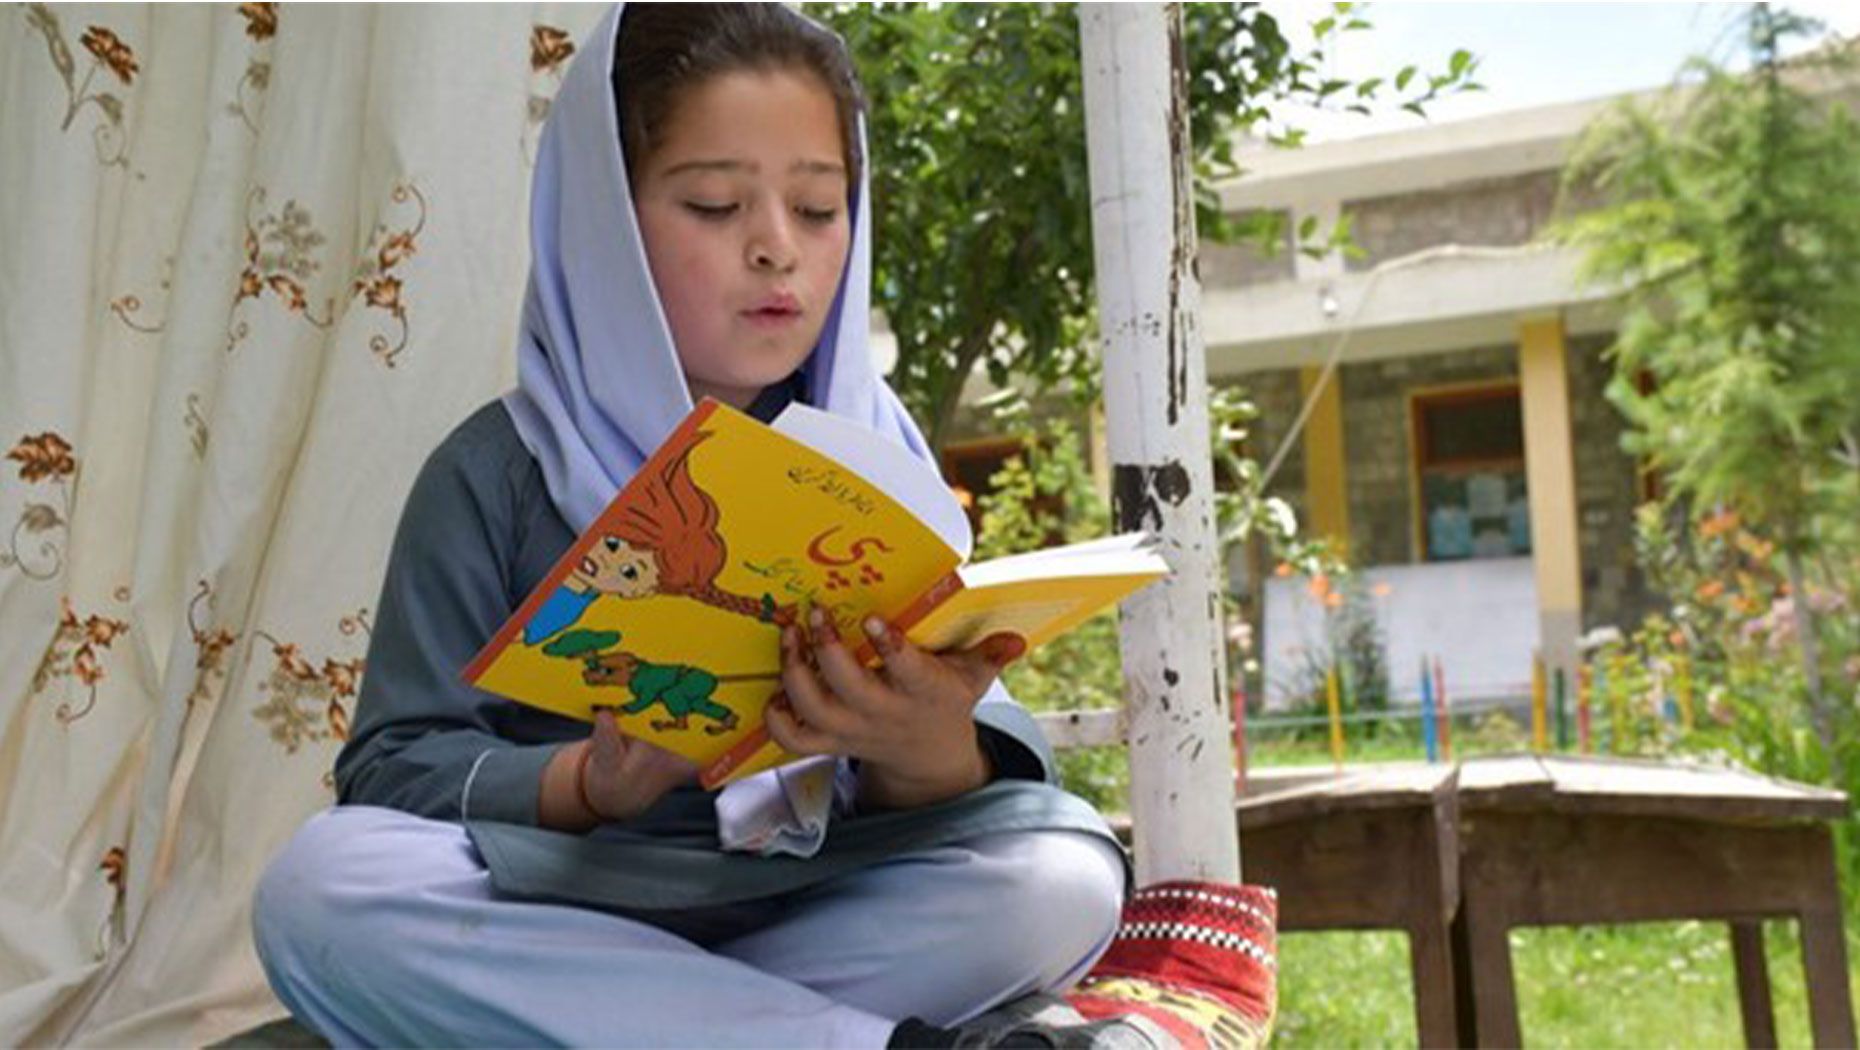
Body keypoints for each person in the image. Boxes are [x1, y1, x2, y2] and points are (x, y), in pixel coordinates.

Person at [252, 5, 1134, 1047]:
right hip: (570, 907)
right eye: (715, 205)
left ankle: (657, 1026)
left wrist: (924, 742)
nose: (777, 250)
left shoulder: (877, 458)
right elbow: (393, 765)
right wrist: (586, 781)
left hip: (817, 901)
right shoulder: (498, 471)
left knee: (1061, 878)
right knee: (319, 888)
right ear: (603, 226)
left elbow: (975, 765)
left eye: (817, 208)